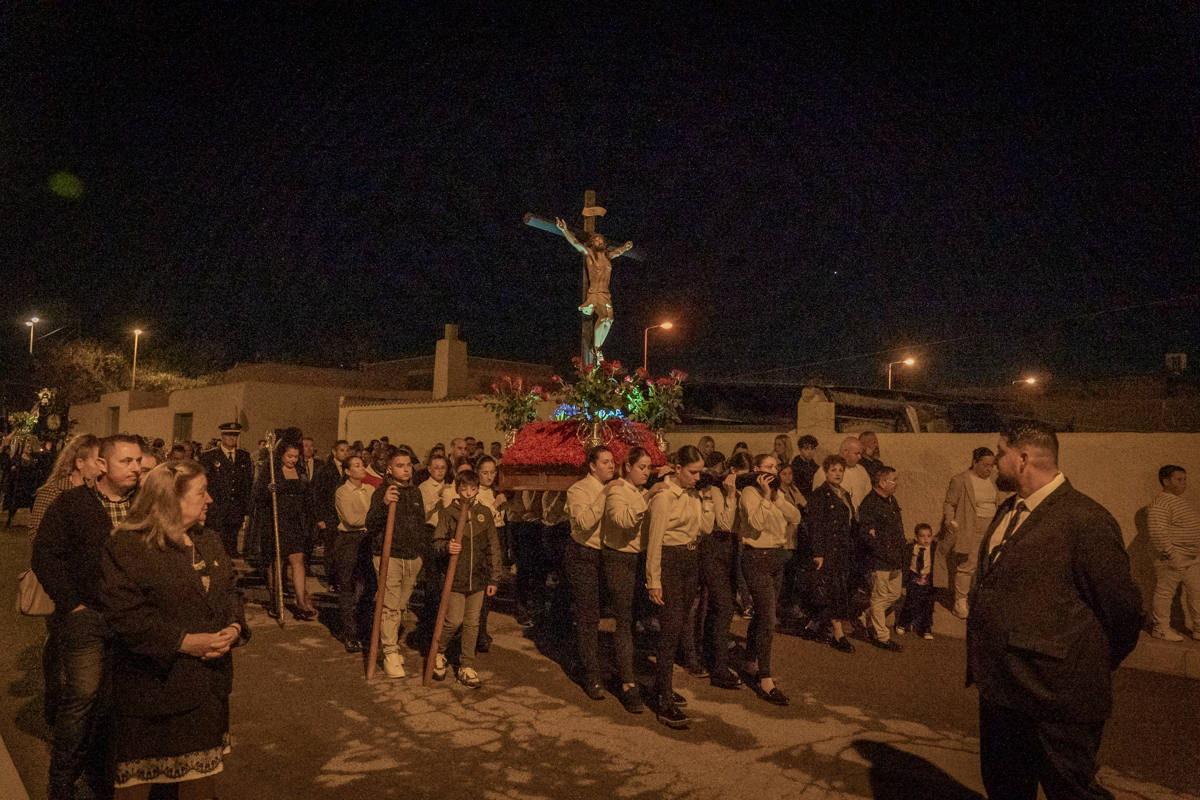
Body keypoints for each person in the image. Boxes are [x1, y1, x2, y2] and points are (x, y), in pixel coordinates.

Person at [967, 422, 1142, 800]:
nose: (995, 461)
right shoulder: (1010, 509)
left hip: (1057, 697)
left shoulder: (1085, 519)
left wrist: (1080, 664)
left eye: (1000, 453)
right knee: (1005, 788)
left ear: (1023, 457)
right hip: (1002, 691)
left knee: (1071, 791)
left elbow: (1123, 612)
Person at [100, 460, 249, 799]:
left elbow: (229, 591)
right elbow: (125, 616)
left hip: (205, 692)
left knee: (200, 784)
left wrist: (235, 625)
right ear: (172, 500)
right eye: (201, 492)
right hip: (152, 692)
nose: (209, 500)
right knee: (138, 787)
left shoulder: (208, 540)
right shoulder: (128, 547)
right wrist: (183, 642)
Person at [33, 433, 142, 800]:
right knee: (82, 695)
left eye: (138, 461)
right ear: (102, 465)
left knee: (119, 699)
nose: (135, 468)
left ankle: (104, 771)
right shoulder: (71, 503)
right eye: (126, 461)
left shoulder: (143, 506)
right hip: (87, 616)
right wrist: (71, 604)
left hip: (130, 619)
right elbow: (46, 555)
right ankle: (62, 778)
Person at [28, 434, 104, 725]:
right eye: (98, 460)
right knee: (60, 642)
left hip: (85, 586)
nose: (102, 466)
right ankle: (56, 705)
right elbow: (38, 538)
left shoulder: (95, 491)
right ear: (79, 461)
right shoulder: (53, 491)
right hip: (61, 584)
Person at [644, 445, 715, 728]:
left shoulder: (693, 495)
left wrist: (707, 499)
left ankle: (664, 685)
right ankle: (663, 699)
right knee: (669, 632)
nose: (698, 477)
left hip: (690, 560)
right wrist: (654, 581)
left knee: (679, 626)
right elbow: (654, 541)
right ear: (678, 468)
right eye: (693, 472)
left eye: (700, 472)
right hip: (670, 563)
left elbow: (706, 529)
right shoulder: (664, 497)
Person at [600, 447, 663, 714]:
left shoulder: (638, 492)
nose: (646, 473)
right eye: (641, 467)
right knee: (624, 621)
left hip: (638, 559)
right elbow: (622, 520)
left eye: (649, 468)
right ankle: (627, 682)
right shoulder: (617, 491)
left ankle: (632, 671)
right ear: (627, 467)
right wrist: (648, 496)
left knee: (638, 620)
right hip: (619, 559)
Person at [735, 453, 801, 705]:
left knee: (764, 615)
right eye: (768, 467)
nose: (773, 471)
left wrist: (775, 497)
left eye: (776, 467)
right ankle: (765, 678)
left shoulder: (776, 493)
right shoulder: (750, 494)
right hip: (757, 558)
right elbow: (755, 522)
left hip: (776, 559)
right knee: (768, 618)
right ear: (756, 470)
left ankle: (750, 661)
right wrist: (764, 496)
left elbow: (795, 517)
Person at [432, 470, 502, 688]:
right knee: (454, 620)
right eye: (464, 489)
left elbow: (493, 547)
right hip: (456, 577)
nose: (468, 493)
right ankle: (439, 651)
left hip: (478, 579)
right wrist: (446, 546)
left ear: (478, 489)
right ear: (457, 490)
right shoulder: (448, 513)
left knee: (473, 623)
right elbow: (436, 543)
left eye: (473, 489)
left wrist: (494, 578)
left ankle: (467, 664)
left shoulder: (484, 514)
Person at [365, 450, 428, 676]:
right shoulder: (383, 491)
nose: (406, 469)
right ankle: (390, 652)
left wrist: (420, 554)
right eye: (400, 465)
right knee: (389, 607)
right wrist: (383, 503)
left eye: (409, 465)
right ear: (390, 469)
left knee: (401, 607)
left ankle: (392, 644)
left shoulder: (415, 493)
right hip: (388, 556)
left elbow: (420, 524)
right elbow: (370, 523)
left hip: (411, 557)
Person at [565, 446, 616, 700]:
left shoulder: (615, 487)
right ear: (592, 466)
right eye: (605, 462)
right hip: (584, 556)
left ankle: (597, 662)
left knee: (609, 614)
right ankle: (591, 675)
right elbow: (583, 523)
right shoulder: (579, 490)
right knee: (588, 616)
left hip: (608, 556)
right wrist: (604, 495)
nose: (611, 466)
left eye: (613, 461)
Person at [554, 216, 633, 360]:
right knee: (603, 319)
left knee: (610, 320)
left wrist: (626, 247)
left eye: (601, 239)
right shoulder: (590, 254)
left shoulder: (609, 256)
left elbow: (619, 251)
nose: (599, 241)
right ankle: (597, 348)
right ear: (592, 243)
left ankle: (597, 348)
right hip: (595, 292)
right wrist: (564, 230)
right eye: (596, 239)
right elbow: (576, 242)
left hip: (606, 294)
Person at [255, 441, 317, 620]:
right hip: (275, 520)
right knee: (277, 561)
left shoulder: (300, 471)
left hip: (294, 521)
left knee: (297, 559)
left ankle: (300, 601)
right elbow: (259, 497)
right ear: (281, 455)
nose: (293, 460)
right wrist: (268, 491)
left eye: (296, 457)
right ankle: (276, 601)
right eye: (289, 456)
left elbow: (307, 495)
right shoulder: (271, 471)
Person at [806, 454, 858, 653]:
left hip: (842, 549)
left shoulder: (843, 493)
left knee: (832, 589)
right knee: (834, 590)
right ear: (826, 472)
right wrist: (818, 552)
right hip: (828, 550)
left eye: (840, 470)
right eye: (833, 470)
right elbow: (815, 526)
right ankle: (838, 634)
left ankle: (813, 625)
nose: (837, 474)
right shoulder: (820, 495)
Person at [941, 447, 1001, 619]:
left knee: (987, 565)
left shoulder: (992, 481)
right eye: (985, 465)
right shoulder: (960, 480)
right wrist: (949, 520)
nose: (989, 469)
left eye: (992, 465)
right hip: (970, 528)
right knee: (967, 565)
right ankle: (959, 602)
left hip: (991, 529)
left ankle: (979, 600)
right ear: (975, 462)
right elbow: (949, 503)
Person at [1146, 465, 1200, 641]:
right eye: (1179, 479)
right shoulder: (1161, 503)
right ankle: (1160, 629)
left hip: (1190, 558)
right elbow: (1157, 532)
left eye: (1184, 479)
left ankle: (1199, 628)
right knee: (1165, 593)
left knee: (1197, 591)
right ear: (1166, 481)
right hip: (1172, 558)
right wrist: (1172, 554)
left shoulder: (1177, 501)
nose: (1183, 483)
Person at [858, 466, 906, 652]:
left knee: (894, 594)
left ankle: (866, 615)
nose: (897, 483)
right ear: (882, 482)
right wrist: (882, 551)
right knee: (879, 598)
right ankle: (882, 636)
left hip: (895, 558)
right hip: (880, 560)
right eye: (894, 480)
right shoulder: (870, 504)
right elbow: (867, 534)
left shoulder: (891, 500)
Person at [331, 455, 374, 653]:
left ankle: (362, 628)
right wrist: (373, 518)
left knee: (366, 586)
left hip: (367, 540)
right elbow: (351, 519)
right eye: (357, 465)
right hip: (349, 541)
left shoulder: (370, 489)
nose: (362, 467)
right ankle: (350, 633)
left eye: (362, 464)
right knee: (347, 587)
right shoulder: (342, 492)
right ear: (348, 471)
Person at [198, 423, 253, 559]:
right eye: (228, 435)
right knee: (216, 544)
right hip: (216, 507)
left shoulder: (243, 456)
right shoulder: (209, 457)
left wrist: (246, 508)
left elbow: (247, 483)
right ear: (222, 436)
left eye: (235, 435)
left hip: (235, 507)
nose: (231, 438)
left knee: (232, 545)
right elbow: (203, 482)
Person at [895, 523, 936, 639]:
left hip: (928, 581)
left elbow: (946, 544)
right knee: (910, 603)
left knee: (928, 606)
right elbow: (903, 557)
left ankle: (926, 629)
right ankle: (903, 623)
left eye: (928, 536)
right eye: (922, 536)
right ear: (916, 538)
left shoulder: (934, 549)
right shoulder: (910, 548)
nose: (926, 539)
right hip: (913, 579)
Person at [812, 437, 872, 509]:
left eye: (860, 454)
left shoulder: (861, 470)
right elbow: (817, 502)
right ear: (845, 451)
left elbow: (869, 495)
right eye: (857, 453)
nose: (860, 457)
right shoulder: (823, 471)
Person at [790, 435, 820, 504]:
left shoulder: (813, 465)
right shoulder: (795, 466)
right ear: (800, 450)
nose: (810, 452)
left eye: (812, 448)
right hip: (801, 500)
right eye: (806, 449)